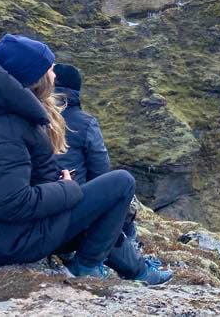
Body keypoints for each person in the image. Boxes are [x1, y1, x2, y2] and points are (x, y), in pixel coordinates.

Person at [0, 34, 169, 285]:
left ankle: (137, 270)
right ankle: (87, 267)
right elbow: (10, 204)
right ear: (34, 78)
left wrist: (59, 188)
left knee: (91, 209)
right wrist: (66, 189)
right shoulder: (7, 131)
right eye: (50, 69)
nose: (55, 76)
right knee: (120, 183)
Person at [53, 63, 157, 281]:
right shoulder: (84, 122)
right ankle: (135, 270)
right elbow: (101, 173)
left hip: (33, 217)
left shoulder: (29, 118)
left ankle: (138, 267)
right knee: (117, 195)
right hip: (66, 217)